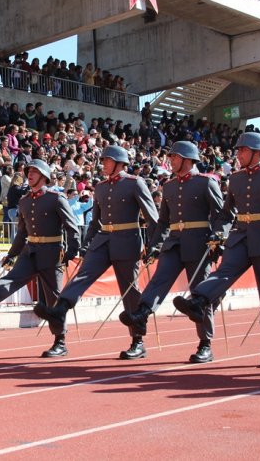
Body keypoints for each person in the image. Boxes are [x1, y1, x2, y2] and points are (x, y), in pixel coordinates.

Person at [173, 132, 260, 368]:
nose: (238, 154)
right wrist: (219, 233)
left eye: (242, 150)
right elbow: (226, 213)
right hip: (240, 237)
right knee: (223, 273)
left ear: (256, 152)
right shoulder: (236, 178)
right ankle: (199, 299)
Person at [34, 145, 159, 359]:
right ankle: (60, 308)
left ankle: (137, 340)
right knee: (82, 276)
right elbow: (95, 221)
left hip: (127, 240)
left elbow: (152, 217)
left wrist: (156, 244)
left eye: (107, 160)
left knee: (130, 292)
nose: (103, 164)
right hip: (102, 241)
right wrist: (85, 244)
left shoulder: (134, 183)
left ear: (120, 163)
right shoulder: (100, 187)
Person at [118, 141, 224, 363]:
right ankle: (142, 314)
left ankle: (206, 344)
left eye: (175, 157)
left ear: (187, 159)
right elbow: (164, 221)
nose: (171, 160)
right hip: (174, 242)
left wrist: (219, 239)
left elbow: (220, 215)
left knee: (198, 292)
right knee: (159, 280)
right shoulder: (170, 186)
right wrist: (155, 245)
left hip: (199, 243)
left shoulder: (206, 183)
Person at [0, 160, 80, 357]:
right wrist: (12, 254)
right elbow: (21, 233)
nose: (30, 174)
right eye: (29, 171)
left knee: (53, 298)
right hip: (30, 250)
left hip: (52, 252)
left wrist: (71, 251)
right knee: (12, 278)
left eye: (35, 171)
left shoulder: (56, 198)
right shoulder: (25, 200)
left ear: (44, 176)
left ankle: (60, 340)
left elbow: (72, 227)